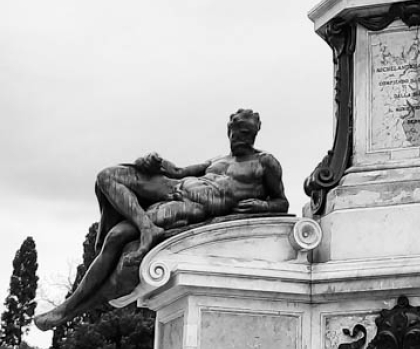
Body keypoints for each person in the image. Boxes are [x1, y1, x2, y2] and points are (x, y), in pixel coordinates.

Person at [34, 110, 288, 330]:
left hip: (193, 206)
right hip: (175, 187)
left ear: (254, 134)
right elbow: (177, 172)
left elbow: (282, 202)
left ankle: (68, 310)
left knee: (117, 237)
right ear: (228, 131)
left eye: (245, 133)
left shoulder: (265, 162)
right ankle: (147, 228)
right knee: (108, 176)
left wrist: (262, 205)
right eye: (235, 132)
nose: (238, 138)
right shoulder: (217, 160)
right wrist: (153, 161)